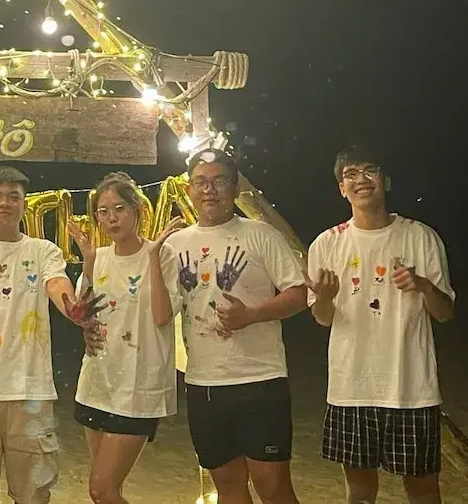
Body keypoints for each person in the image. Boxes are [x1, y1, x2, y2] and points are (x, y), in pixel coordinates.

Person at [0, 165, 105, 504]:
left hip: (31, 392)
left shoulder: (42, 251)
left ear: (25, 204)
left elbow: (56, 284)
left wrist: (72, 307)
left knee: (33, 496)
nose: (4, 203)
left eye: (13, 197)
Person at [306, 145, 455, 504]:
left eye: (369, 170)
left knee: (423, 490)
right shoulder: (326, 244)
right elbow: (322, 318)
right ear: (342, 189)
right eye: (350, 174)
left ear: (385, 180)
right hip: (351, 387)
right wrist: (324, 297)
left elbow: (445, 312)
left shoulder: (420, 236)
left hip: (411, 387)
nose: (361, 180)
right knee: (359, 492)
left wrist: (423, 285)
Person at [167, 149, 307, 504]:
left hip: (259, 380)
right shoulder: (174, 245)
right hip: (203, 384)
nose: (209, 190)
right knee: (228, 487)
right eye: (201, 182)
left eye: (219, 181)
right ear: (188, 189)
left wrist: (252, 314)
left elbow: (299, 293)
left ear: (234, 188)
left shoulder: (260, 234)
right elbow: (161, 309)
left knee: (272, 486)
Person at [67, 172, 185, 504]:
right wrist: (88, 264)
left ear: (137, 210)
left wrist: (152, 258)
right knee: (106, 491)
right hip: (97, 383)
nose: (112, 218)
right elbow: (83, 314)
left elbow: (162, 316)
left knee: (101, 489)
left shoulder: (163, 254)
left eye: (119, 208)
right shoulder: (99, 257)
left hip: (138, 387)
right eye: (103, 212)